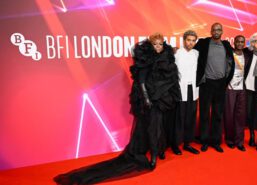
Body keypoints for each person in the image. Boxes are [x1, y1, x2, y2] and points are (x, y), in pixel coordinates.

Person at [53, 33, 181, 185]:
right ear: (151, 45)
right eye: (156, 44)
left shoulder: (166, 58)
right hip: (148, 101)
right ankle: (153, 157)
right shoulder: (145, 59)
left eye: (160, 44)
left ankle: (157, 152)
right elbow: (140, 81)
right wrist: (146, 98)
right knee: (150, 128)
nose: (158, 47)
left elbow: (169, 78)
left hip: (161, 100)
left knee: (158, 127)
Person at [194, 23, 235, 153]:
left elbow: (231, 63)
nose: (216, 31)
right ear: (211, 31)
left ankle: (216, 141)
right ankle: (204, 140)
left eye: (218, 29)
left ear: (222, 31)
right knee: (205, 114)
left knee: (218, 114)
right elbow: (191, 52)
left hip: (220, 84)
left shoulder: (226, 45)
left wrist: (226, 80)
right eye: (214, 29)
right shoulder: (203, 43)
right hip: (206, 84)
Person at [172, 30, 200, 155]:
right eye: (188, 40)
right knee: (178, 118)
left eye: (193, 41)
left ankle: (187, 143)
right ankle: (176, 144)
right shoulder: (176, 53)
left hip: (193, 90)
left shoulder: (196, 53)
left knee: (190, 117)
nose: (191, 43)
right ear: (184, 40)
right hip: (180, 89)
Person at [223, 35, 250, 151]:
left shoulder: (247, 55)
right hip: (229, 88)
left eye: (242, 42)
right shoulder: (229, 55)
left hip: (242, 89)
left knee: (240, 116)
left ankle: (239, 141)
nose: (239, 43)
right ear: (234, 42)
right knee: (229, 115)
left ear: (244, 43)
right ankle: (229, 140)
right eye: (237, 41)